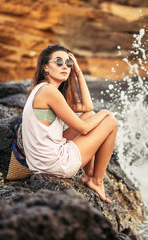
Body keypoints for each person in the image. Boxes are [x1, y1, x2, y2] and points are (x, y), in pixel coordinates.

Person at [22, 44, 118, 203]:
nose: (64, 66)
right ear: (45, 67)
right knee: (111, 122)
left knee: (89, 115)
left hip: (41, 161)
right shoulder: (49, 92)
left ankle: (89, 173)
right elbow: (84, 128)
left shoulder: (41, 89)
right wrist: (106, 113)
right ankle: (96, 181)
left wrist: (78, 72)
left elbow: (87, 108)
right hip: (53, 163)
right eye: (58, 62)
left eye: (68, 63)